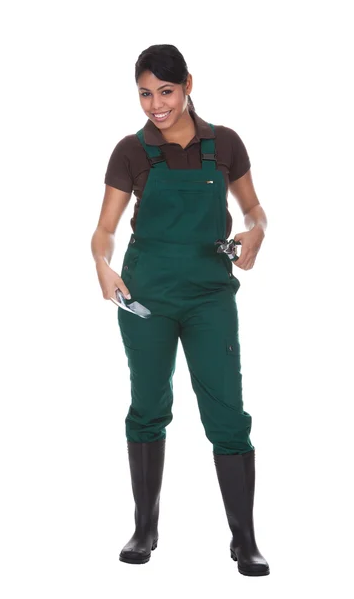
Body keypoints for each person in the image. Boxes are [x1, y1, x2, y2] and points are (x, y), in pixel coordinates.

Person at [91, 44, 270, 577]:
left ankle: (245, 539)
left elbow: (255, 209)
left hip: (211, 296)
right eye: (145, 94)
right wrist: (101, 263)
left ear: (188, 84)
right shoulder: (130, 151)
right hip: (145, 297)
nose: (155, 105)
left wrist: (258, 233)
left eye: (164, 91)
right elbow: (103, 231)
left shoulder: (226, 144)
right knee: (147, 406)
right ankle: (145, 528)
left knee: (228, 413)